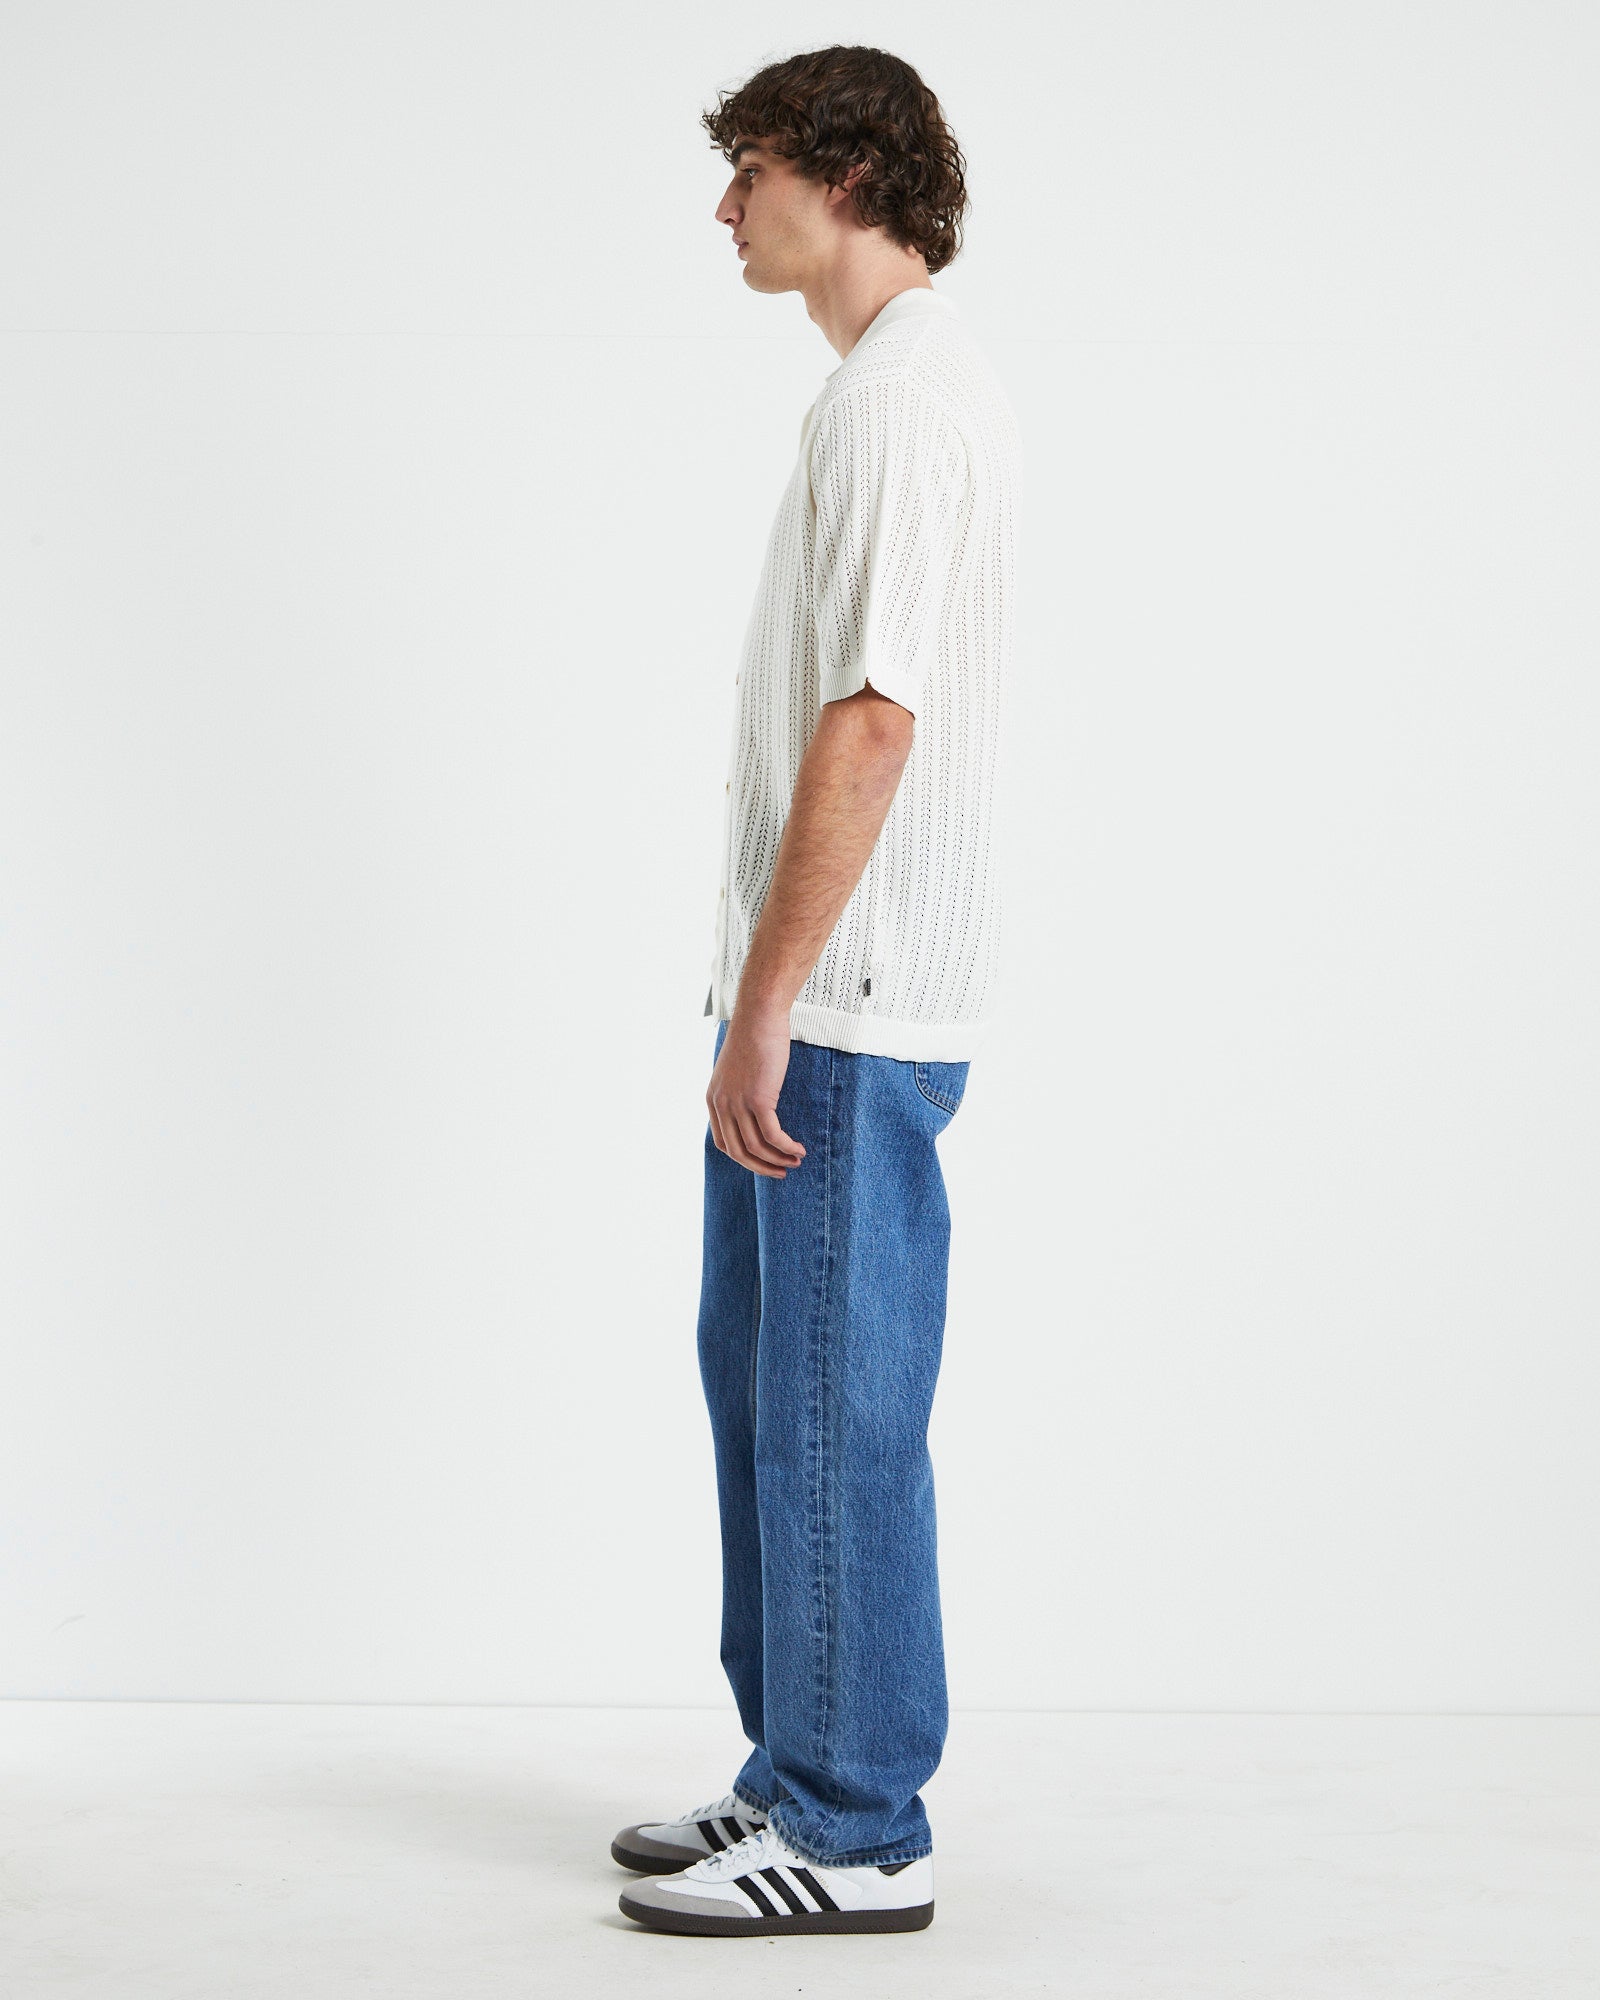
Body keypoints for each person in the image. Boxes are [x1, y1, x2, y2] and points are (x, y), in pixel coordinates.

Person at [614, 43, 1021, 1939]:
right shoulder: (883, 393)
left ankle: (858, 1825)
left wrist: (768, 1004)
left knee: (836, 1413)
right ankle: (795, 1765)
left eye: (751, 173)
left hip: (843, 1008)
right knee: (767, 1394)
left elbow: (873, 723)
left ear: (844, 177)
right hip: (813, 997)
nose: (726, 210)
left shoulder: (899, 405)